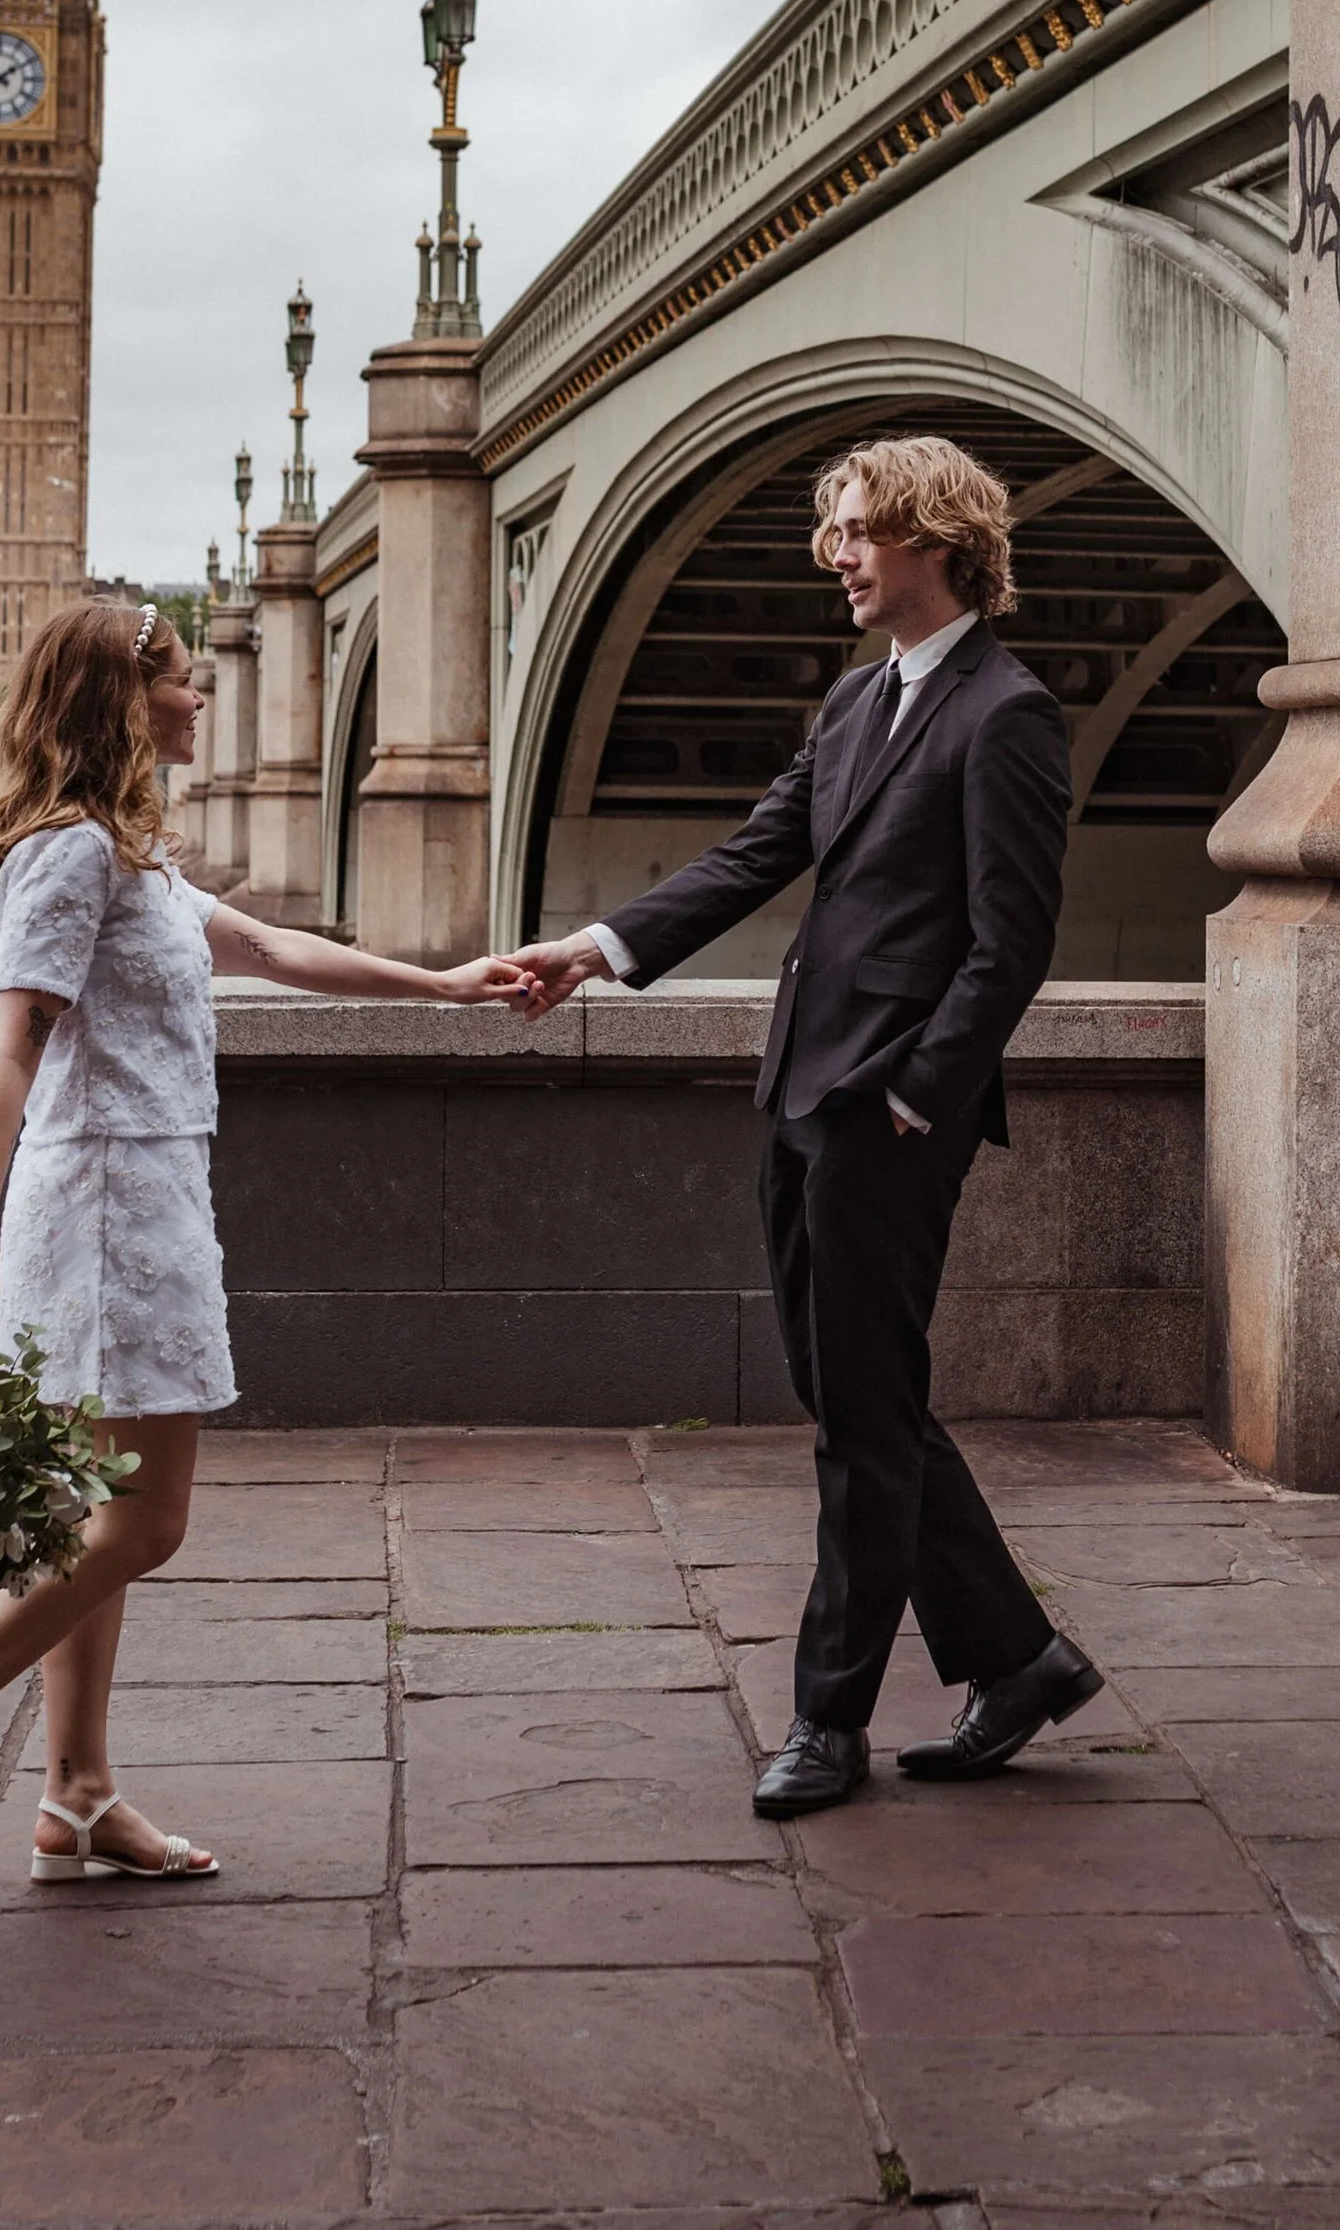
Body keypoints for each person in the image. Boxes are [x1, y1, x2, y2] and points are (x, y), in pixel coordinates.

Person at [0, 597, 528, 1895]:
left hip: (145, 1199)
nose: (204, 702)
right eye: (185, 684)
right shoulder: (69, 857)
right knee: (145, 1524)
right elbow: (6, 1058)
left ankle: (76, 1795)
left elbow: (270, 947)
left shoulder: (129, 856)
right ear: (123, 700)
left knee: (95, 1523)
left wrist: (447, 983)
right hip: (96, 1211)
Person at [512, 435, 1100, 1815]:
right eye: (832, 533)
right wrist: (595, 946)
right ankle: (1019, 1658)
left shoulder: (1006, 713)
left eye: (854, 533)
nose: (834, 557)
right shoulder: (854, 704)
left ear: (933, 537)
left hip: (885, 1111)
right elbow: (757, 852)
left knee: (861, 1422)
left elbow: (1010, 943)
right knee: (861, 1401)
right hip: (803, 1087)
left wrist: (914, 1094)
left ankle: (827, 1718)